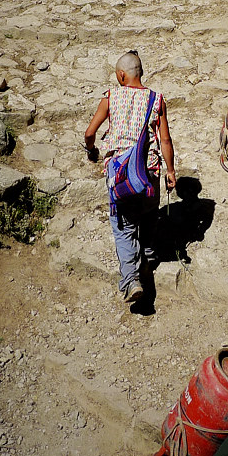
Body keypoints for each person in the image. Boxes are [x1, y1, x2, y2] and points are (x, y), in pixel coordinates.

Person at [84, 51, 176, 303]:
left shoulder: (110, 97)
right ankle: (148, 257)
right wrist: (170, 171)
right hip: (148, 173)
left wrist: (91, 150)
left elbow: (89, 132)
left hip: (120, 175)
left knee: (123, 228)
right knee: (148, 216)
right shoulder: (157, 100)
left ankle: (131, 281)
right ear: (140, 72)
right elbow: (165, 139)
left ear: (121, 75)